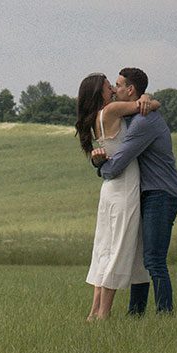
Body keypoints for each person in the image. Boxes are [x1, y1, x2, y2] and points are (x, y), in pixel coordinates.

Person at [90, 67, 177, 315]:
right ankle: (136, 314)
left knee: (153, 257)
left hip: (161, 192)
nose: (114, 89)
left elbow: (118, 163)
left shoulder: (142, 122)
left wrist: (100, 167)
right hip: (145, 191)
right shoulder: (134, 115)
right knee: (139, 256)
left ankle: (165, 313)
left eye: (118, 85)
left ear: (130, 90)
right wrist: (148, 99)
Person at [73, 72, 159, 320]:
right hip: (123, 187)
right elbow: (152, 106)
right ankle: (104, 314)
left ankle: (94, 312)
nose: (112, 89)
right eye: (109, 86)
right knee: (118, 250)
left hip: (110, 189)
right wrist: (146, 96)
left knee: (104, 250)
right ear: (100, 92)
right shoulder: (111, 111)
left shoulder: (93, 118)